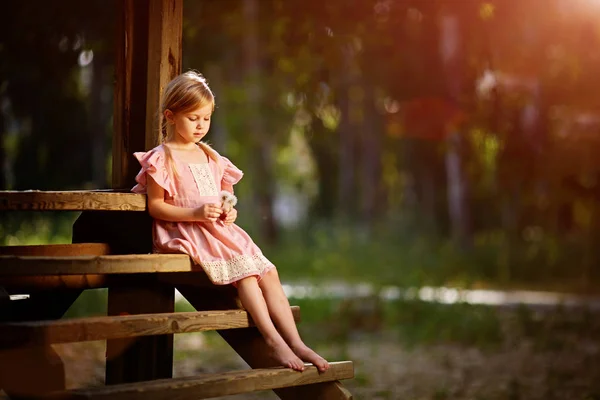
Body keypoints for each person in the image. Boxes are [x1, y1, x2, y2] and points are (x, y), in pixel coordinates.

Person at [131, 71, 328, 373]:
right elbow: (156, 207)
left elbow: (227, 198)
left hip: (220, 232)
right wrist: (195, 214)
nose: (201, 126)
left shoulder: (212, 157)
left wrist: (228, 212)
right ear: (170, 116)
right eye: (193, 118)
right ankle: (272, 340)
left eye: (206, 119)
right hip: (186, 231)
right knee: (247, 275)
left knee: (269, 272)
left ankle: (296, 342)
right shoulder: (162, 158)